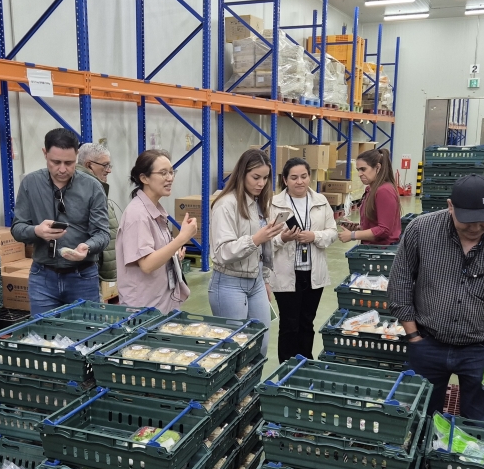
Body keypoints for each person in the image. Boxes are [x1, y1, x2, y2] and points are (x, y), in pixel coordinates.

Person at [387, 174, 484, 420]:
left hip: (481, 350)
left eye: (483, 221)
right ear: (450, 206)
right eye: (467, 221)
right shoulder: (422, 230)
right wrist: (414, 336)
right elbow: (400, 284)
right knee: (420, 419)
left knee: (479, 424)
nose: (475, 228)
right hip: (427, 343)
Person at [12, 128, 111, 312]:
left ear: (77, 156)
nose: (63, 169)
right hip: (42, 278)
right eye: (55, 162)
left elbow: (103, 233)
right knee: (43, 336)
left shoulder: (92, 187)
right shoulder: (30, 184)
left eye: (69, 162)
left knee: (88, 336)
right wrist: (36, 231)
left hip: (83, 276)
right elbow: (17, 228)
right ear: (45, 153)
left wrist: (86, 247)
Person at [209, 149, 284, 355]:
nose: (261, 183)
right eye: (256, 177)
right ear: (242, 174)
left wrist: (265, 279)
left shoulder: (259, 203)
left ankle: (253, 388)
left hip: (256, 282)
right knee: (235, 351)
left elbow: (263, 249)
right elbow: (223, 251)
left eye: (265, 178)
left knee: (261, 347)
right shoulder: (225, 205)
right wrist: (255, 239)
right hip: (229, 283)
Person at [269, 157, 338, 361]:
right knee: (289, 324)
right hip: (286, 273)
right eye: (294, 177)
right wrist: (282, 238)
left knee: (307, 322)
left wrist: (314, 236)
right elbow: (265, 240)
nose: (300, 181)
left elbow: (333, 232)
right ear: (285, 180)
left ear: (310, 176)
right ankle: (286, 368)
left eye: (304, 176)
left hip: (313, 272)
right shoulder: (273, 204)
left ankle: (306, 364)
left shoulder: (320, 201)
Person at [116, 150, 197, 312]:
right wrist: (181, 238)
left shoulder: (154, 210)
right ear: (144, 178)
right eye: (163, 173)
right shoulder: (138, 215)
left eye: (171, 172)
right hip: (145, 308)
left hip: (161, 302)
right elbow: (147, 264)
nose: (170, 178)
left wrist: (174, 256)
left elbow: (155, 253)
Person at [76, 142, 119, 294]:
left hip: (98, 272)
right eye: (105, 165)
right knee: (97, 314)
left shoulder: (94, 188)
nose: (109, 170)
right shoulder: (83, 190)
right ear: (89, 165)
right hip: (91, 273)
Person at [338, 148, 401, 245]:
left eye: (363, 169)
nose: (359, 174)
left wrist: (353, 235)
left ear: (378, 167)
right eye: (358, 170)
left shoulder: (384, 191)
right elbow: (376, 224)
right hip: (372, 249)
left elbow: (384, 230)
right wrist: (360, 228)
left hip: (381, 252)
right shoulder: (370, 190)